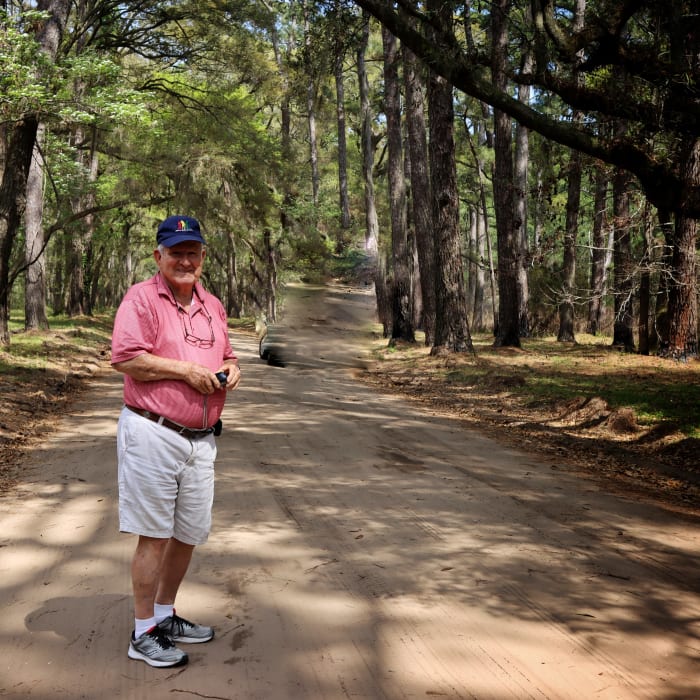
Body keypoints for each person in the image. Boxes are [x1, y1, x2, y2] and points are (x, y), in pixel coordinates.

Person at [111, 215, 241, 668]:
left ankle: (165, 615)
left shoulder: (212, 304)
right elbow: (125, 358)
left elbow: (226, 353)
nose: (185, 260)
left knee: (187, 533)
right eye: (176, 252)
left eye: (192, 252)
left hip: (201, 438)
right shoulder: (142, 299)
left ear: (203, 257)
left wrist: (232, 368)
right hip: (152, 432)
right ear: (159, 256)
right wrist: (184, 370)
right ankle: (143, 630)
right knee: (155, 534)